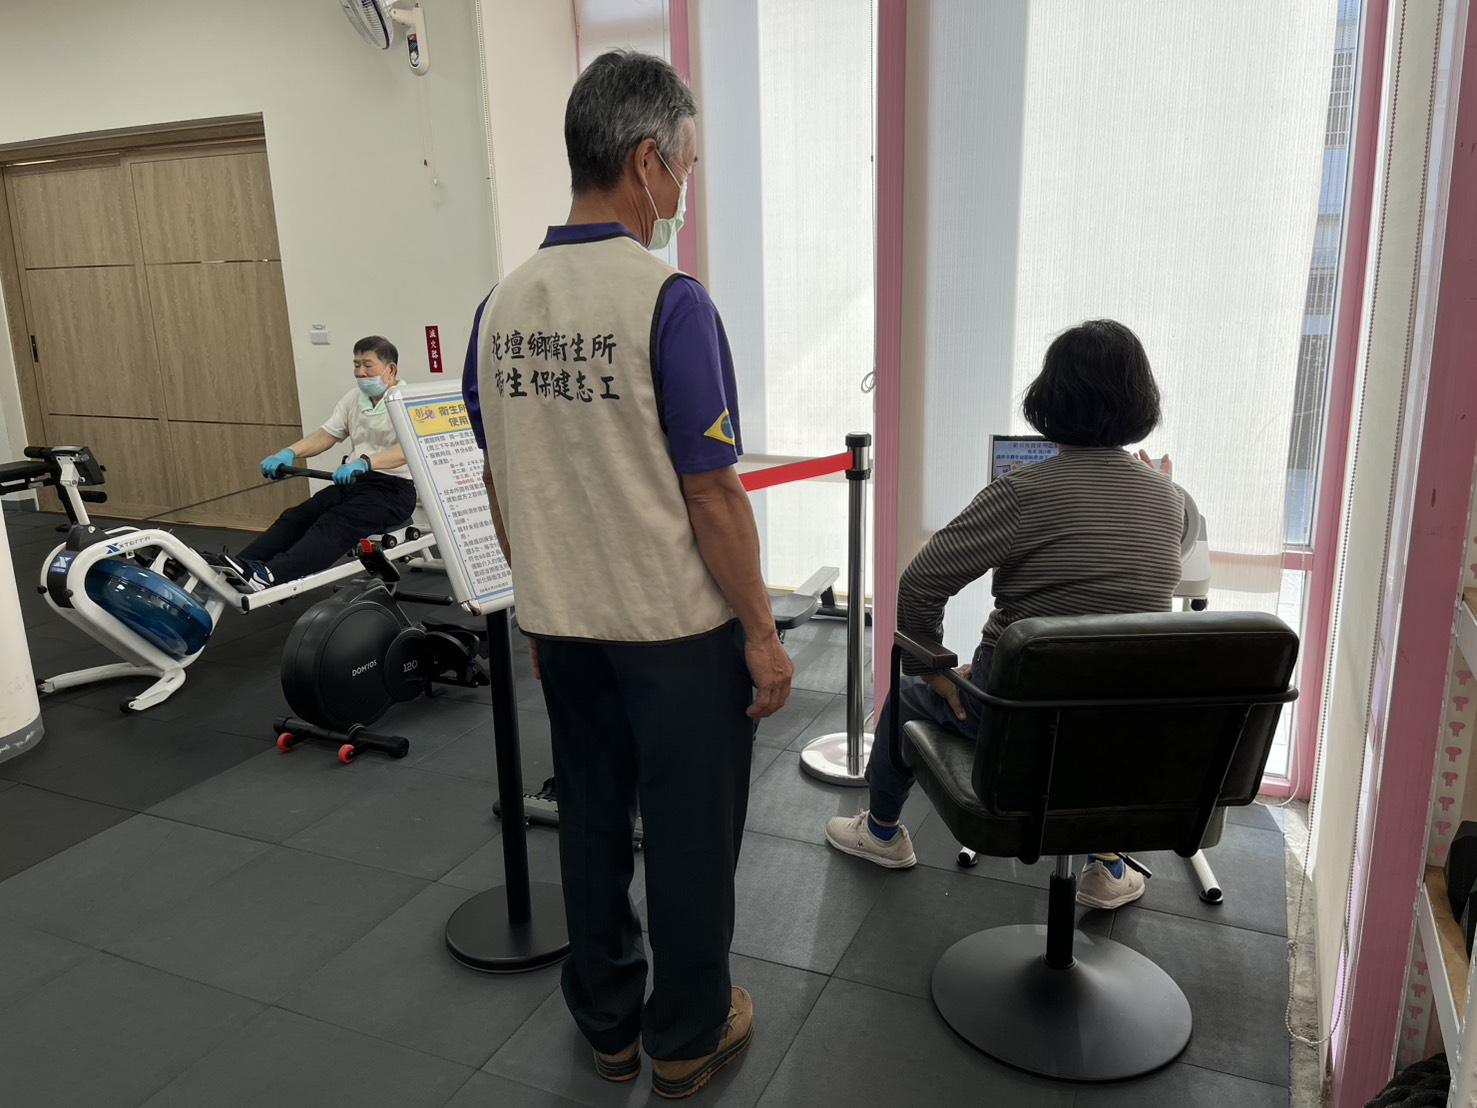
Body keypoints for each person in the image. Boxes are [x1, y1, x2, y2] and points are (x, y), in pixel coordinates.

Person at [463, 50, 793, 1100]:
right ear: (646, 161)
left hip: (565, 626)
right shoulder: (670, 302)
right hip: (674, 633)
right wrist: (761, 631)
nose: (683, 190)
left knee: (594, 819)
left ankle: (607, 1024)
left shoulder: (498, 307)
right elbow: (712, 495)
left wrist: (538, 600)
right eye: (683, 168)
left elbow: (500, 477)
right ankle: (686, 1037)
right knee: (690, 837)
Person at [825, 319, 1185, 911]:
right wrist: (1158, 484)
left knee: (909, 695)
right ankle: (1107, 862)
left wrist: (935, 670)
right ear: (1141, 402)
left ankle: (883, 833)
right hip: (1122, 725)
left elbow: (920, 582)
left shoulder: (1022, 492)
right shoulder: (1168, 497)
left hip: (1021, 716)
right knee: (1098, 702)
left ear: (1050, 398)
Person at [212, 336, 416, 591]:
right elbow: (327, 435)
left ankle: (271, 575)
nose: (360, 372)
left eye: (368, 365)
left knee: (334, 522)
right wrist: (288, 452)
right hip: (356, 482)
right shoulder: (354, 398)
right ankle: (240, 566)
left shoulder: (408, 399)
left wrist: (366, 462)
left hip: (393, 490)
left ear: (391, 369)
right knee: (298, 516)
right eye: (356, 365)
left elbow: (407, 450)